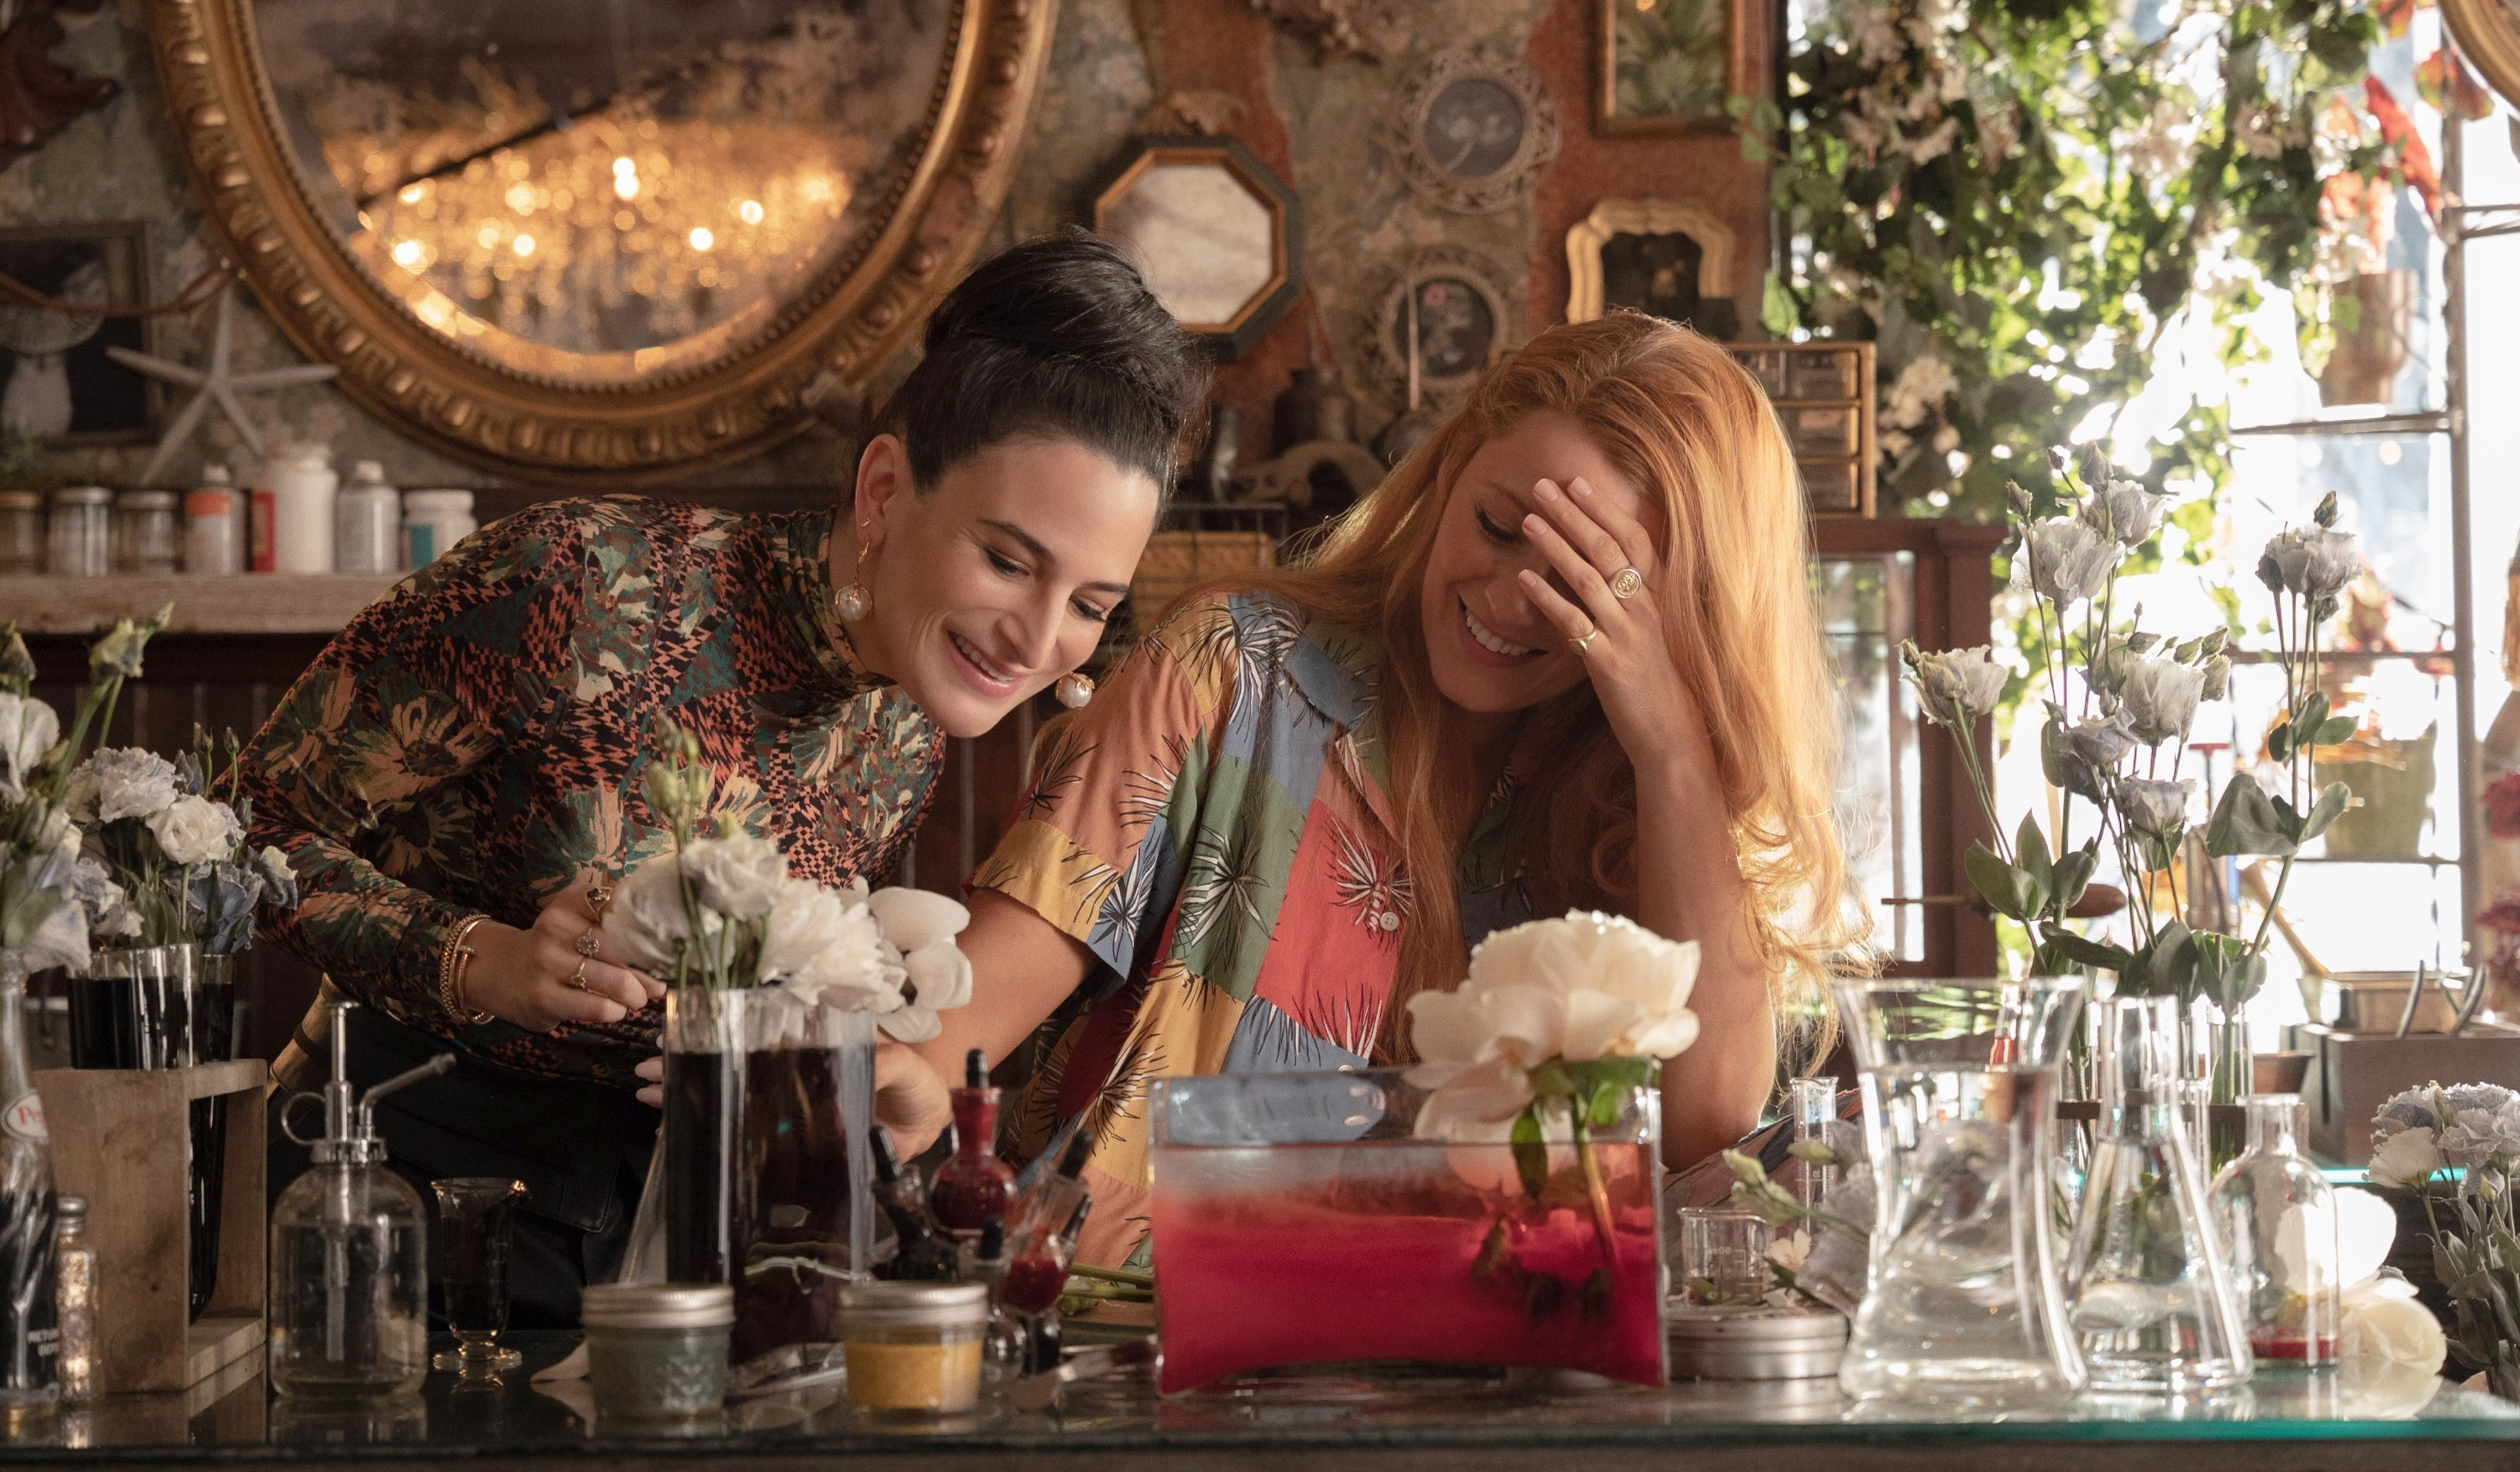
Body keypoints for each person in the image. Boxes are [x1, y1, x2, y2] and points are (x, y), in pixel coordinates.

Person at [244, 232, 1207, 1324]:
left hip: (689, 1239)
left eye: (1089, 603)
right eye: (1009, 559)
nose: (1038, 638)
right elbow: (246, 829)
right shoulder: (576, 588)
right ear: (886, 487)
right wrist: (479, 961)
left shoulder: (908, 720)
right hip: (400, 1208)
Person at [919, 311, 1858, 1271]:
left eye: (1581, 588)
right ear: (1449, 473)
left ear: (1677, 616)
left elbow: (1706, 1141)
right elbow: (960, 1033)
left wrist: (1673, 754)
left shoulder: (1632, 810)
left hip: (1487, 1383)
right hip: (1145, 1357)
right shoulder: (1230, 674)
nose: (1504, 601)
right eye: (1496, 527)